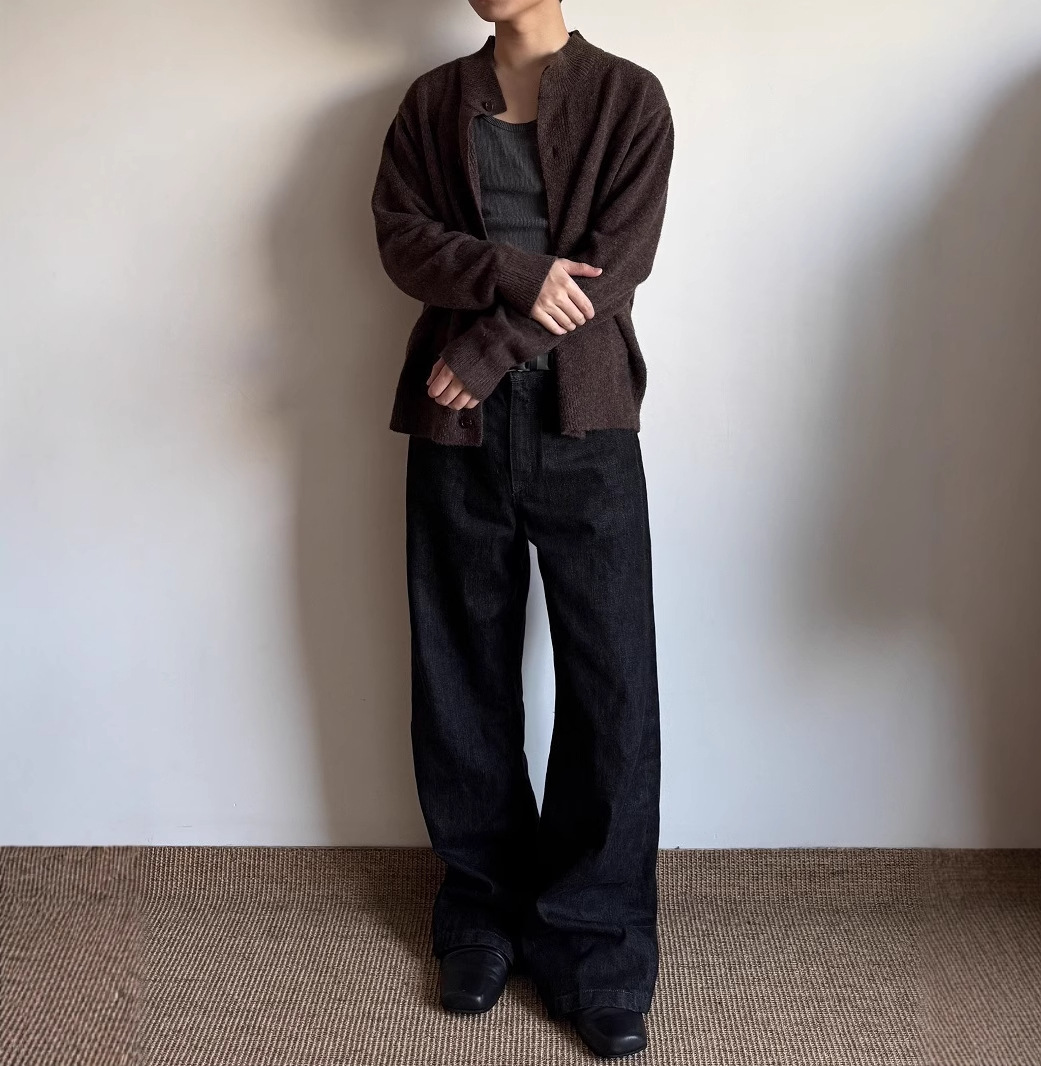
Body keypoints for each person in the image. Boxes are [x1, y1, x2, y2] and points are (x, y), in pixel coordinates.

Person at [371, 1, 674, 1058]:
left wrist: (489, 347)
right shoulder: (430, 103)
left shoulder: (629, 98)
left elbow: (614, 267)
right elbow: (403, 242)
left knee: (611, 682)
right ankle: (480, 913)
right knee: (460, 665)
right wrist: (513, 277)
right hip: (455, 429)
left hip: (582, 423)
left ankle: (598, 943)